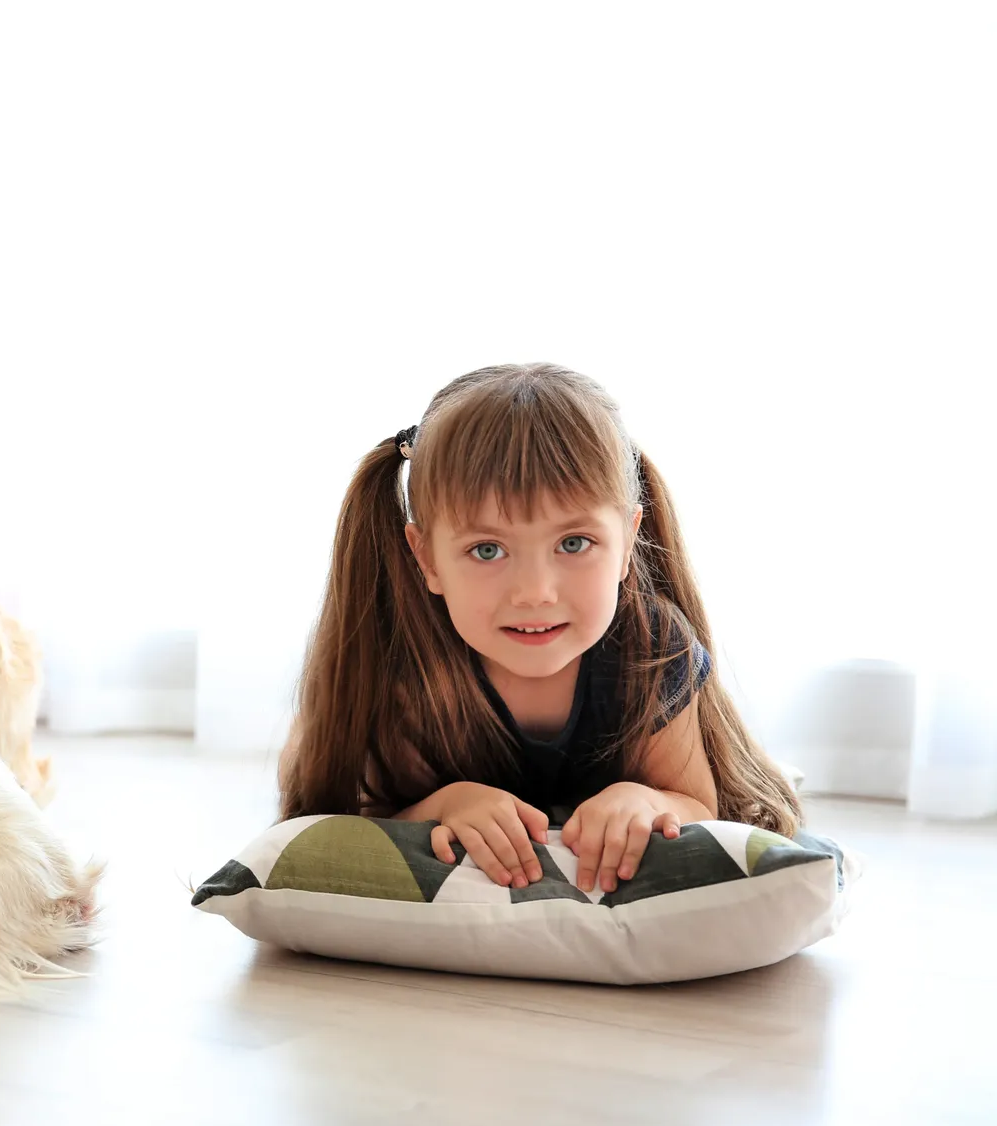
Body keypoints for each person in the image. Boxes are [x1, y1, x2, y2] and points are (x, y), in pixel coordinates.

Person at [280, 363, 800, 895]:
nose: (534, 591)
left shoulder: (652, 648)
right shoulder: (405, 663)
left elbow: (696, 804)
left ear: (626, 541)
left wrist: (647, 801)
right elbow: (363, 814)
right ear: (427, 559)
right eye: (488, 549)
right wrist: (443, 805)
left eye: (573, 543)